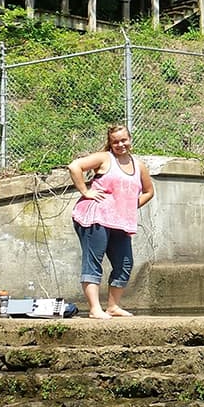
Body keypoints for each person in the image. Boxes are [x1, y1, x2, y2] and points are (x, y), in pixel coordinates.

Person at [67, 125, 155, 319]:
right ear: (110, 142)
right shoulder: (105, 158)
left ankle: (113, 306)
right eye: (115, 141)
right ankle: (94, 309)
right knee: (93, 261)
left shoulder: (138, 165)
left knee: (124, 263)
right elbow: (75, 166)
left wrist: (129, 206)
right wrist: (86, 192)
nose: (120, 144)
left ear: (130, 139)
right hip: (95, 217)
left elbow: (149, 191)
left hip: (120, 221)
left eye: (123, 140)